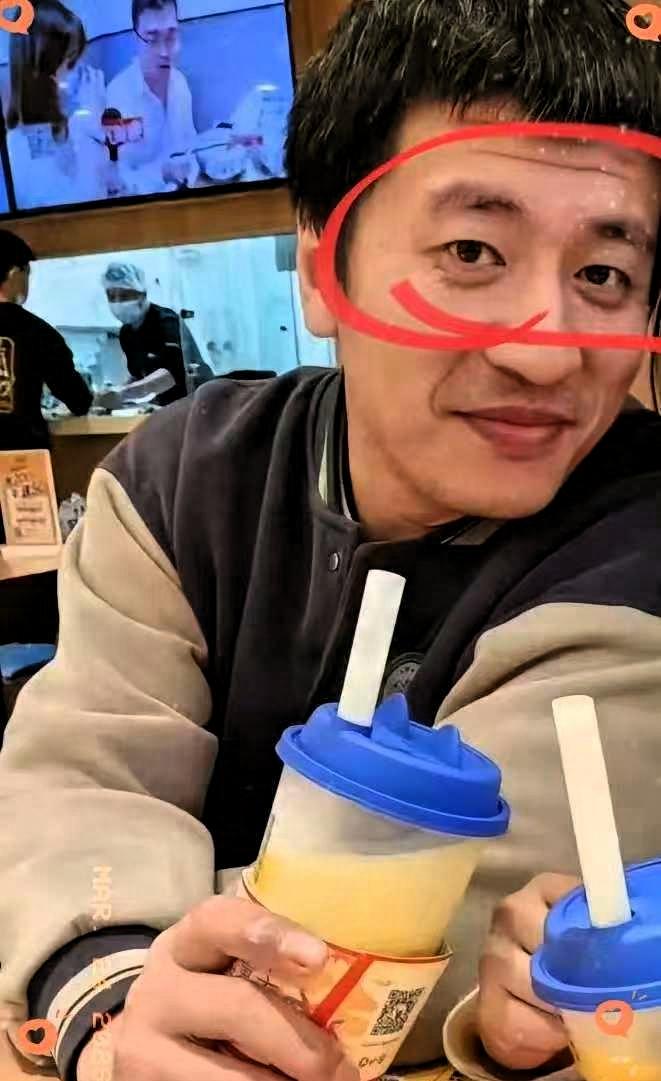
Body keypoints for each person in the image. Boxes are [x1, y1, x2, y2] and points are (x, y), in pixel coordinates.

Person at [0, 2, 659, 1081]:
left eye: (602, 276)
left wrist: (146, 950)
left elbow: (449, 914)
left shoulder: (639, 545)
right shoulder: (186, 478)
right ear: (320, 270)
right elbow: (83, 784)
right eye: (472, 250)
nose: (548, 352)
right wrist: (110, 986)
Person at [5, 0, 108, 211]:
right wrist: (93, 130)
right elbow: (79, 204)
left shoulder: (73, 125)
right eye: (71, 62)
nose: (81, 72)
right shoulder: (18, 153)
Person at [0, 230, 92, 451]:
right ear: (14, 273)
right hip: (22, 457)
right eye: (27, 273)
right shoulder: (38, 332)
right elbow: (79, 400)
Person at [106, 0, 198, 194]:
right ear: (136, 38)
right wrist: (162, 173)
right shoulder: (117, 95)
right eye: (152, 39)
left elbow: (192, 148)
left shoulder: (180, 83)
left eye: (171, 36)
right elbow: (115, 179)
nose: (164, 52)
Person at [95, 262, 212, 409]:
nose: (117, 303)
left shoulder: (166, 321)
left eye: (124, 296)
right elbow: (139, 377)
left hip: (199, 402)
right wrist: (114, 393)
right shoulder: (126, 333)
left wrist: (122, 394)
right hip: (167, 407)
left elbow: (171, 375)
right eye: (111, 297)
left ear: (142, 294)